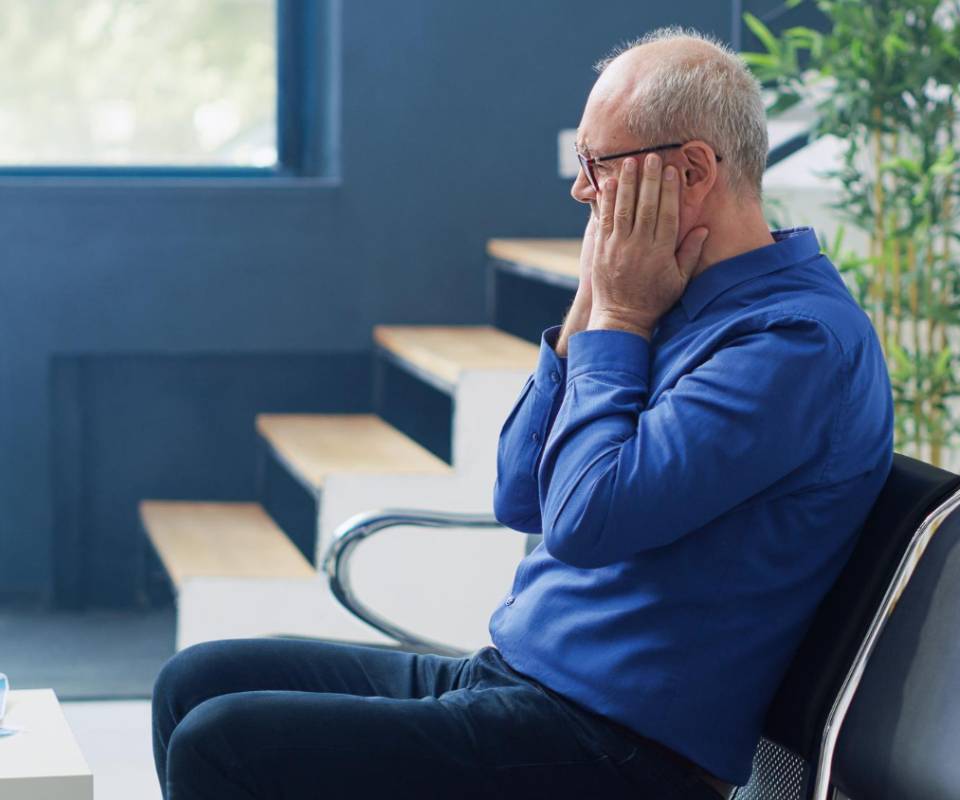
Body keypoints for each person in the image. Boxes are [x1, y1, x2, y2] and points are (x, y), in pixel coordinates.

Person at [151, 26, 893, 800]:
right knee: (195, 683)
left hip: (617, 750)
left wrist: (621, 319)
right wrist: (589, 307)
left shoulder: (794, 342)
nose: (581, 192)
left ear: (694, 169)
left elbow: (583, 520)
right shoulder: (671, 302)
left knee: (226, 744)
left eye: (598, 166)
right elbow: (520, 495)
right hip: (517, 682)